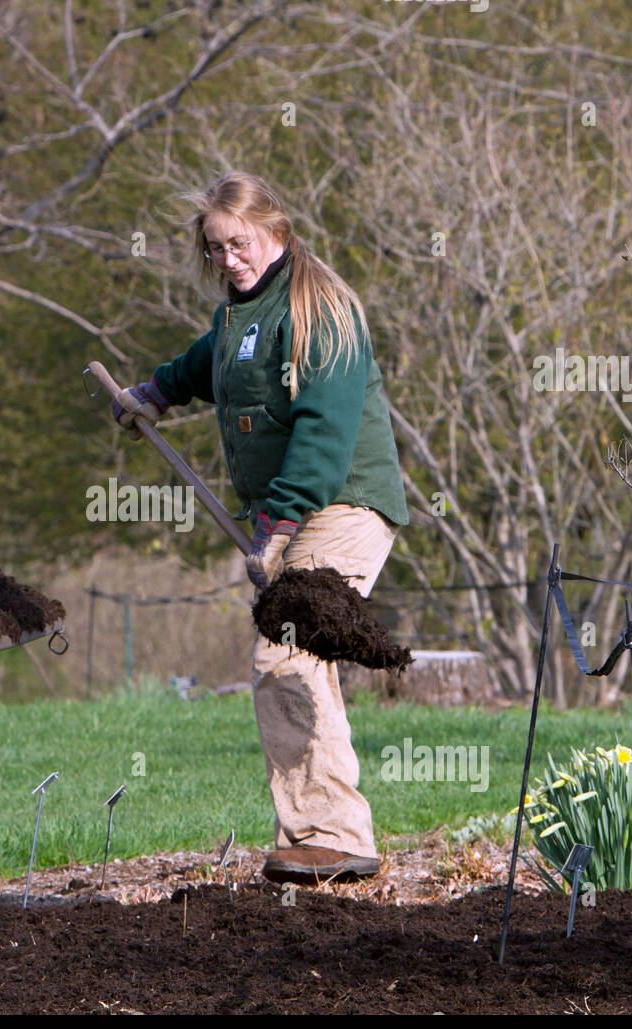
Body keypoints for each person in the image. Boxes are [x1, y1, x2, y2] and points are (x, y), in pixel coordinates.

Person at [112, 172, 409, 883]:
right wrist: (152, 393)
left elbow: (324, 436)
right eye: (214, 249)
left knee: (286, 647)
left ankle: (331, 835)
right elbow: (211, 363)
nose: (228, 260)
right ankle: (325, 836)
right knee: (300, 661)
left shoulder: (320, 310)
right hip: (293, 512)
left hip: (343, 503)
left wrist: (274, 525)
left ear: (274, 231)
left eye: (239, 243)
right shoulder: (239, 319)